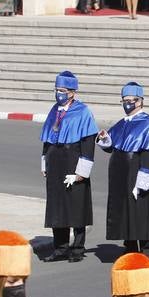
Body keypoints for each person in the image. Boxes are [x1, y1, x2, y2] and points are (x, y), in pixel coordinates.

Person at [98, 81, 149, 258]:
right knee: (125, 210)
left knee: (141, 210)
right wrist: (104, 138)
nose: (127, 104)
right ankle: (130, 247)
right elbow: (111, 145)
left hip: (136, 169)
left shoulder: (148, 124)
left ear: (140, 101)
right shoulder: (121, 123)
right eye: (124, 100)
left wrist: (145, 175)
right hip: (120, 172)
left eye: (131, 100)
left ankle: (147, 253)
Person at [41, 71, 98, 262]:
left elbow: (88, 142)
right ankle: (60, 247)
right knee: (57, 205)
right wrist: (44, 161)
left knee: (76, 205)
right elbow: (47, 138)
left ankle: (77, 248)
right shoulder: (54, 110)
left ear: (72, 92)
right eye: (57, 90)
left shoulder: (82, 112)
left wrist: (81, 172)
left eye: (63, 90)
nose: (59, 94)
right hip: (55, 161)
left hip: (73, 159)